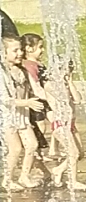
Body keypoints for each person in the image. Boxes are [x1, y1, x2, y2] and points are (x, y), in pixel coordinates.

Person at [21, 34, 86, 189]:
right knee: (73, 153)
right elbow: (44, 91)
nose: (43, 50)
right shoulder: (47, 82)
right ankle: (70, 180)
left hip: (69, 123)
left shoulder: (60, 81)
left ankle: (57, 170)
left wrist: (69, 82)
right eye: (40, 47)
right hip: (58, 122)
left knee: (79, 153)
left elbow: (77, 99)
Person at [1, 34, 45, 189]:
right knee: (15, 149)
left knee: (32, 145)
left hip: (22, 117)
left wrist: (55, 99)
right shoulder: (2, 73)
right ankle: (7, 179)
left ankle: (24, 177)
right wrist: (27, 103)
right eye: (15, 51)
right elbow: (4, 100)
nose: (20, 53)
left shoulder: (23, 71)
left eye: (20, 49)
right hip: (8, 117)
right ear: (3, 53)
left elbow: (37, 90)